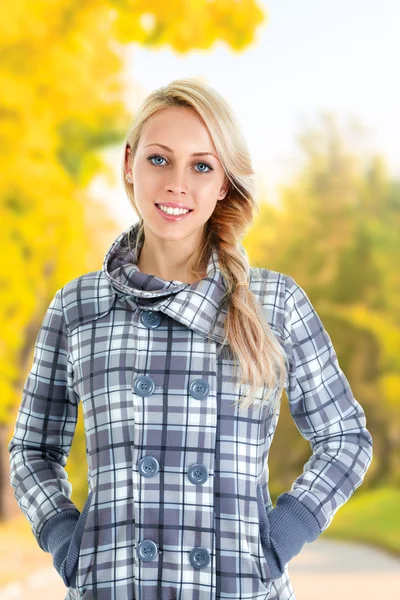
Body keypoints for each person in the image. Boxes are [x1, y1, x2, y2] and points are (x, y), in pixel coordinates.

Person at [8, 78, 373, 600]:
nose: (177, 183)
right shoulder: (77, 306)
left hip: (236, 588)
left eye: (201, 165)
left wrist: (280, 536)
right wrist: (66, 540)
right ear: (129, 164)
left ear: (224, 183)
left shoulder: (276, 303)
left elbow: (345, 439)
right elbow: (32, 450)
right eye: (159, 159)